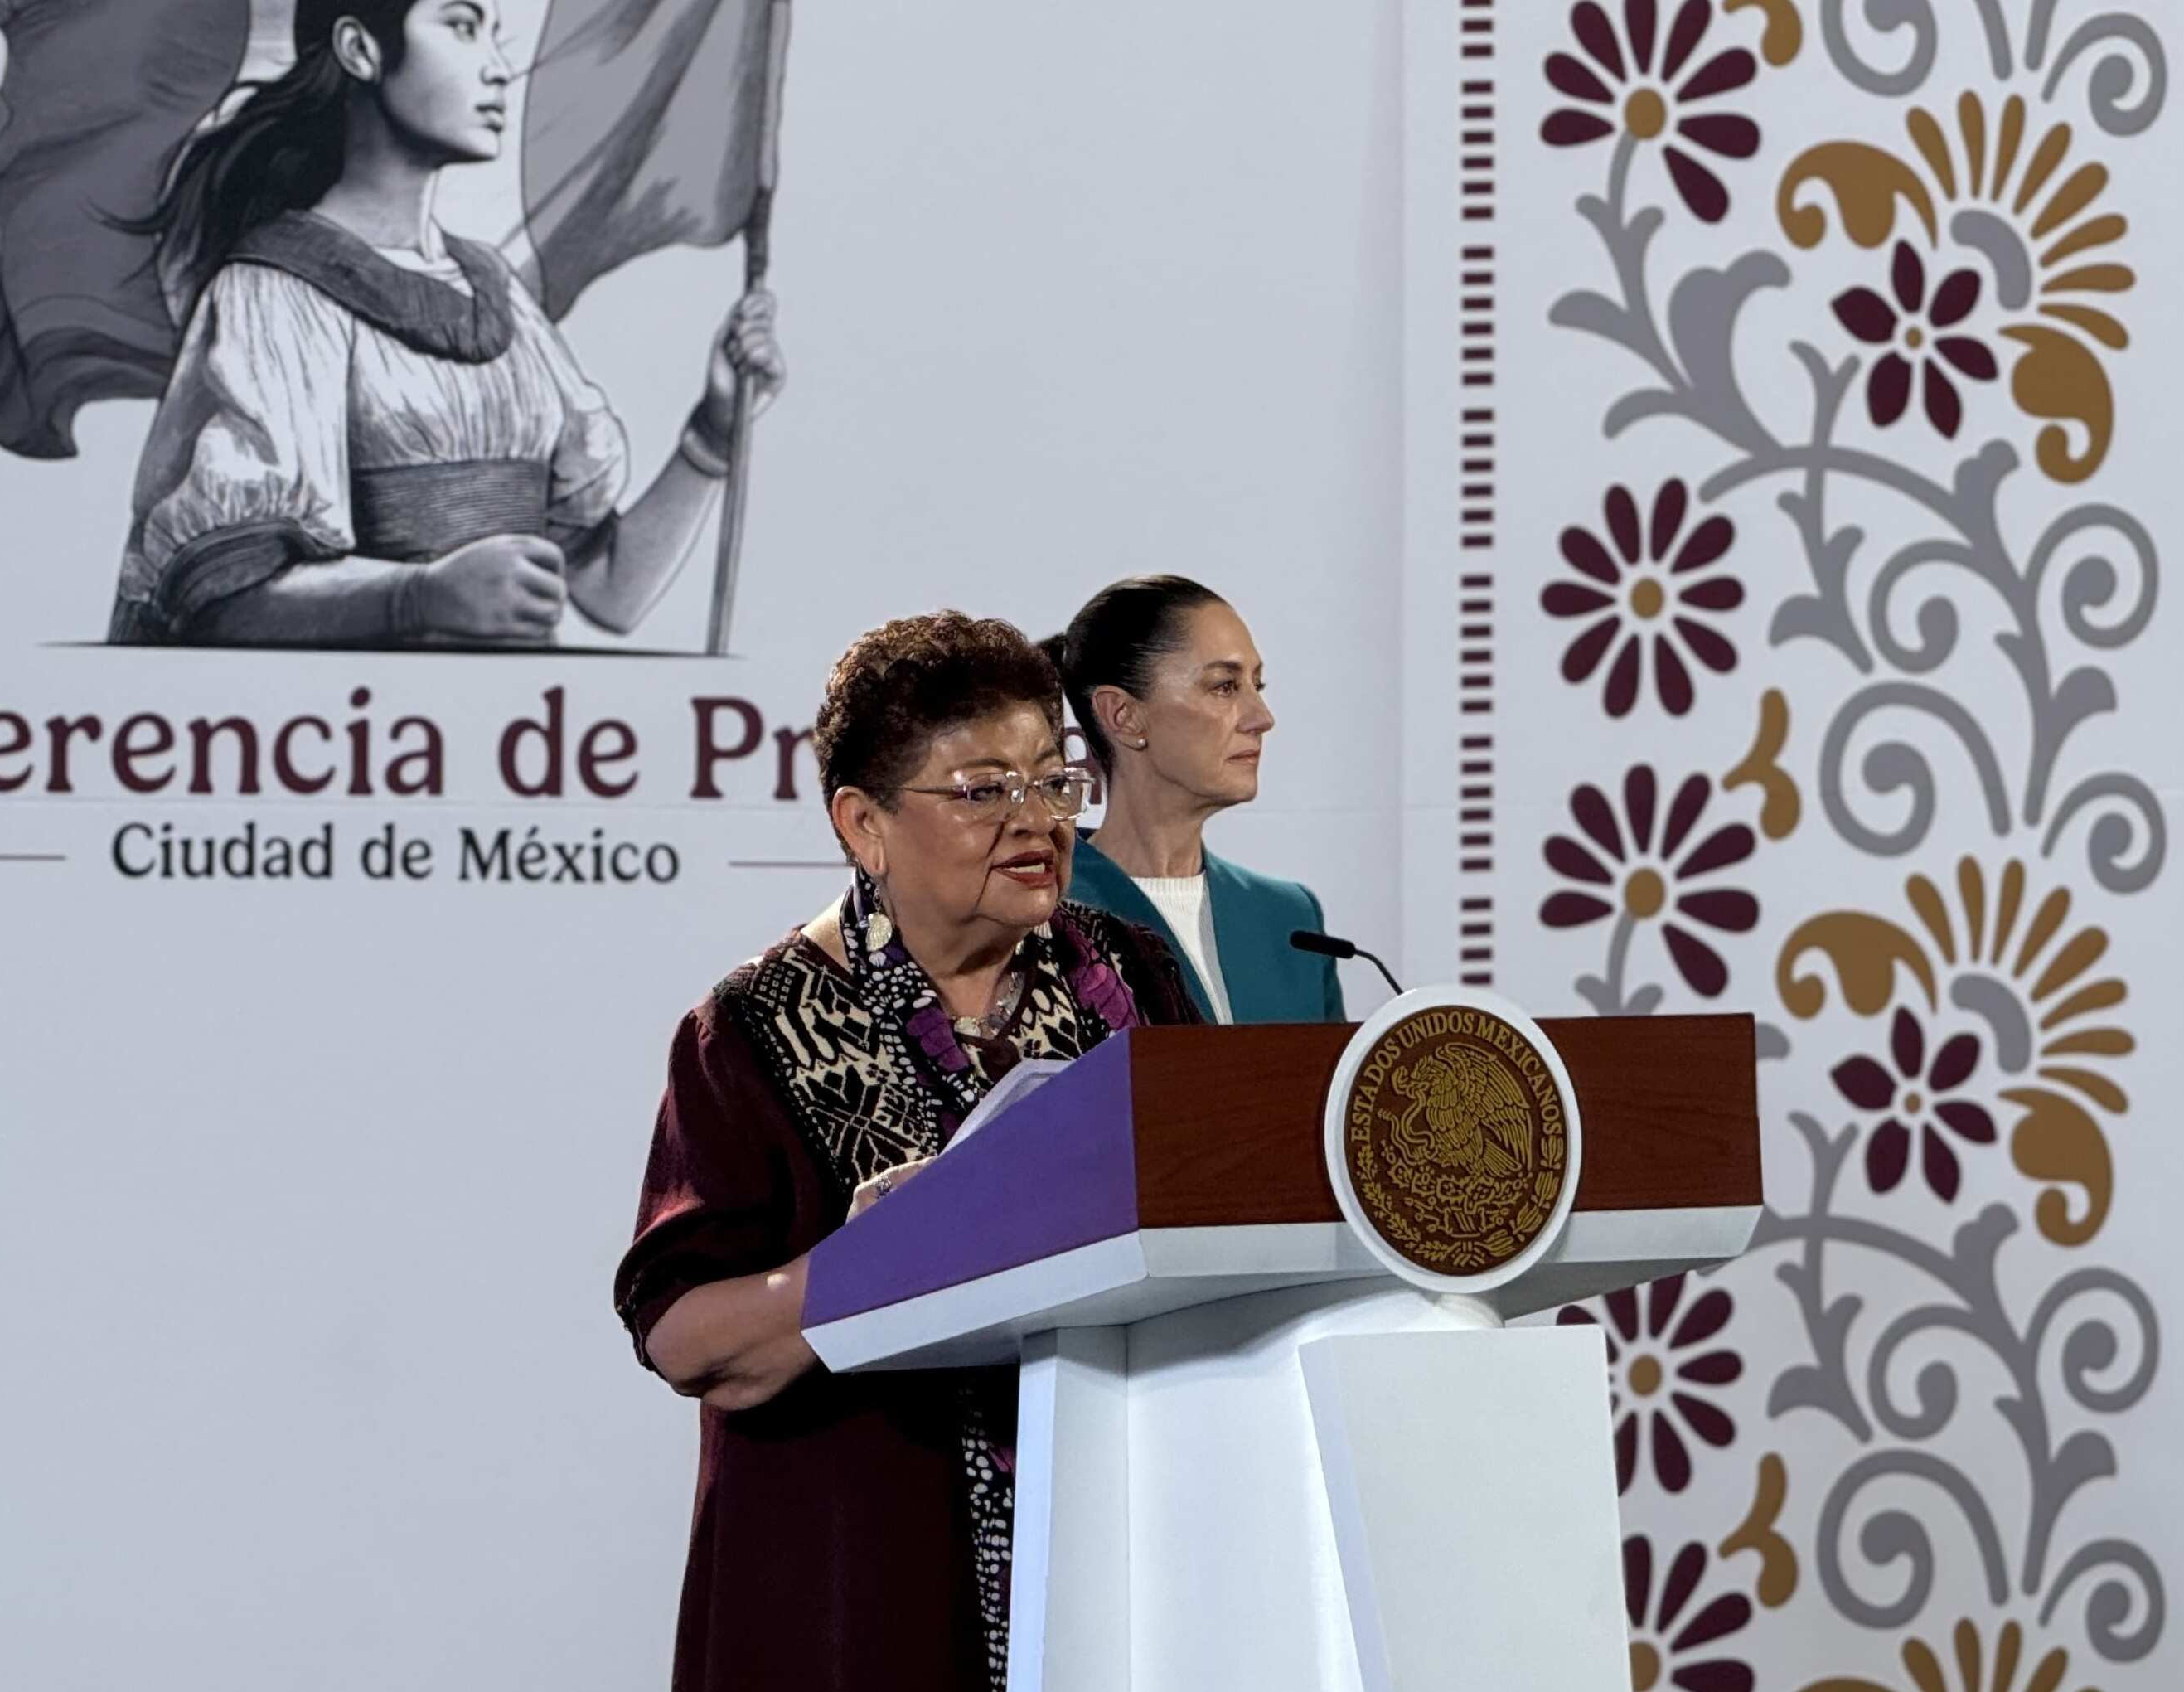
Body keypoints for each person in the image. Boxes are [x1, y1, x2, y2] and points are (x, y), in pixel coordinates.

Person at [615, 613, 1201, 1692]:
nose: (1036, 821)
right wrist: (864, 1266)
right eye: (983, 791)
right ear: (863, 823)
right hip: (860, 1597)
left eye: (1053, 782)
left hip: (1119, 1559)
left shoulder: (1127, 978)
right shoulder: (756, 1027)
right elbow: (680, 1332)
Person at [107, 0, 786, 646]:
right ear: (360, 49)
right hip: (361, 723)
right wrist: (419, 596)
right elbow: (221, 602)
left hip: (519, 722)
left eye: (494, 33)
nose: (497, 67)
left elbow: (611, 591)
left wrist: (714, 428)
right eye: (462, 26)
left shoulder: (499, 295)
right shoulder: (275, 292)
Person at [1043, 575, 1347, 1024]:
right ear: (1123, 716)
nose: (1262, 718)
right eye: (1225, 686)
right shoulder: (1040, 912)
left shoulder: (1290, 917)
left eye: (1257, 686)